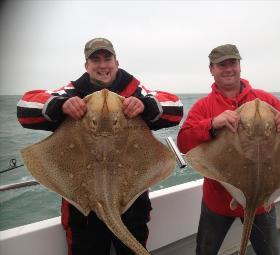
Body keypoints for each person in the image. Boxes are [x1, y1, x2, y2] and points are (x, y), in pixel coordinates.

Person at [17, 37, 183, 255]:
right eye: (96, 60)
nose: (103, 65)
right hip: (83, 209)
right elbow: (24, 107)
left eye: (107, 58)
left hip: (131, 204)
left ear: (116, 62)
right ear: (87, 66)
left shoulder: (136, 91)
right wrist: (60, 105)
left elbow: (176, 107)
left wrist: (146, 105)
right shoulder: (72, 91)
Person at [177, 43, 280, 255]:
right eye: (222, 65)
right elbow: (184, 142)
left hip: (262, 200)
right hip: (218, 200)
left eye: (233, 63)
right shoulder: (204, 106)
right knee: (205, 251)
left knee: (269, 251)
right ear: (211, 69)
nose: (228, 69)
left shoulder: (265, 100)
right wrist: (211, 124)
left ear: (240, 66)